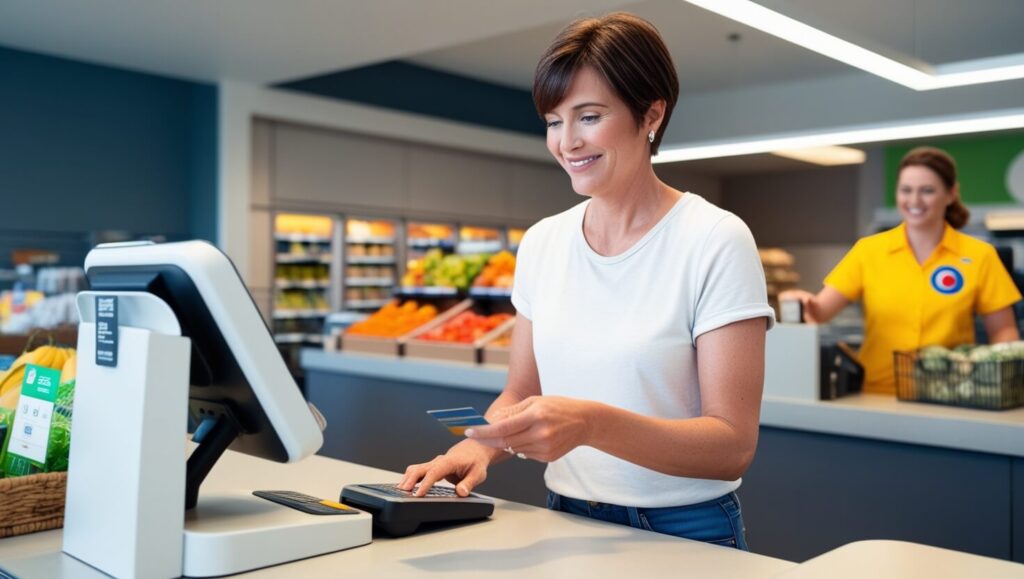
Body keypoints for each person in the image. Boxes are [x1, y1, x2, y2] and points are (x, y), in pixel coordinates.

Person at [398, 12, 774, 549]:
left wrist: (592, 424)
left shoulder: (715, 238)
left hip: (684, 528)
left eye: (589, 116)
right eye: (553, 121)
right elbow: (523, 391)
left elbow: (732, 446)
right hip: (566, 514)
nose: (566, 142)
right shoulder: (543, 243)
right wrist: (481, 446)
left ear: (652, 114)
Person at [781, 146, 1021, 394]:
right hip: (876, 393)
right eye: (906, 190)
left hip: (950, 393)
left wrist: (999, 382)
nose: (914, 200)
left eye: (927, 191)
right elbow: (819, 312)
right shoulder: (868, 250)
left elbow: (1004, 330)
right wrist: (798, 300)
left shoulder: (980, 256)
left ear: (951, 194)